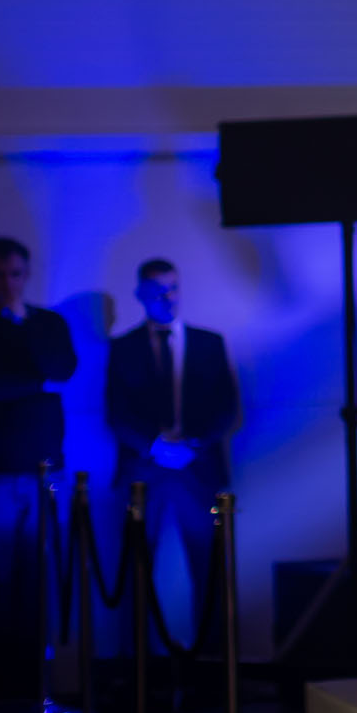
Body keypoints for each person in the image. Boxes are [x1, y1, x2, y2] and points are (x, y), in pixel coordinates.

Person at [0, 235, 77, 701]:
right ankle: (1, 688)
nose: (8, 283)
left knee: (37, 581)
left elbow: (61, 370)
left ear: (27, 275)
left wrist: (22, 330)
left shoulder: (48, 324)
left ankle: (35, 686)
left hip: (44, 469)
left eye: (16, 274)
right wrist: (34, 382)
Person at [106, 259, 238, 649]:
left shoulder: (209, 343)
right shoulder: (124, 348)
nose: (168, 298)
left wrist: (193, 445)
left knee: (209, 568)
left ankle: (213, 666)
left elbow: (227, 407)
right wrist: (155, 445)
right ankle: (138, 666)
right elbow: (116, 411)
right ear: (140, 295)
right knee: (136, 571)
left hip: (198, 470)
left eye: (173, 288)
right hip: (143, 471)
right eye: (157, 291)